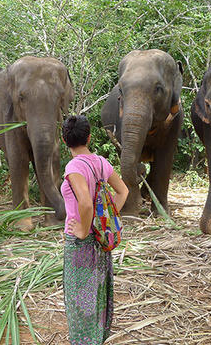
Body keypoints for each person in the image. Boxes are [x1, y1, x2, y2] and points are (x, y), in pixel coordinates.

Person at [60, 114, 129, 344]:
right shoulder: (100, 162)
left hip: (81, 244)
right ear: (89, 138)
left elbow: (86, 203)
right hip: (101, 242)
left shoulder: (74, 167)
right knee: (97, 296)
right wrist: (105, 223)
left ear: (64, 140)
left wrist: (82, 228)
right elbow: (123, 192)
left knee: (79, 302)